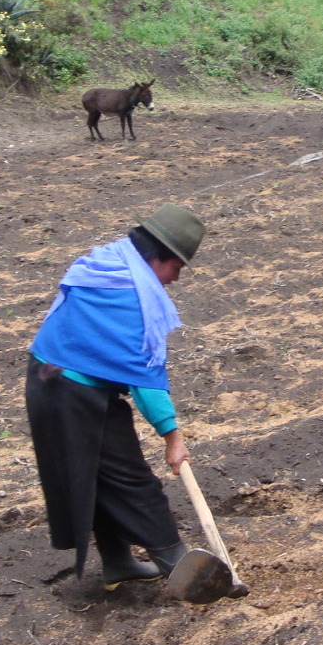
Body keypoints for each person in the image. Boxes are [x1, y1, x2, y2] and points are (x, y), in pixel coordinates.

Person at [25, 205, 205, 590]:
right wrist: (173, 438)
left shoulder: (111, 261)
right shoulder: (131, 296)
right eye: (176, 268)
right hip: (70, 391)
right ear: (158, 258)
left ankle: (119, 563)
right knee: (132, 481)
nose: (174, 279)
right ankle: (183, 571)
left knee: (99, 477)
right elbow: (145, 378)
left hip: (49, 380)